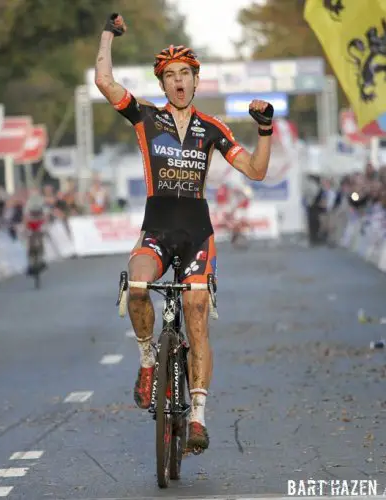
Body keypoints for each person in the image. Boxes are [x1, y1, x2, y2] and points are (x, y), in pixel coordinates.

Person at [94, 12, 273, 453]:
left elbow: (255, 170)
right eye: (170, 76)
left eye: (185, 75)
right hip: (155, 227)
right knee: (137, 285)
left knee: (195, 311)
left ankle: (196, 416)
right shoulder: (144, 117)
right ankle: (148, 360)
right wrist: (107, 33)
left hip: (196, 232)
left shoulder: (212, 129)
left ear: (196, 80)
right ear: (162, 85)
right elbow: (103, 80)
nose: (178, 82)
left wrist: (265, 128)